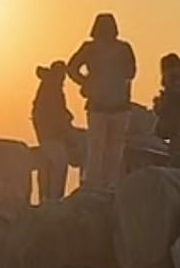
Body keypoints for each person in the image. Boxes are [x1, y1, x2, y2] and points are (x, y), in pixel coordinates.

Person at [66, 14, 136, 193]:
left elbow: (131, 72)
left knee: (109, 147)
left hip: (115, 105)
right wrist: (86, 82)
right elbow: (72, 68)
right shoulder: (92, 48)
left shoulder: (122, 48)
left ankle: (106, 184)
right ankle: (96, 184)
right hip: (102, 104)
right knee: (101, 147)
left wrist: (88, 81)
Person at [32, 61, 76, 203]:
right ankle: (55, 197)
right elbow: (54, 112)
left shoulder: (50, 86)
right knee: (59, 162)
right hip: (51, 135)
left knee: (47, 165)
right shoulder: (52, 88)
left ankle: (47, 197)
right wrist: (65, 123)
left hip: (46, 134)